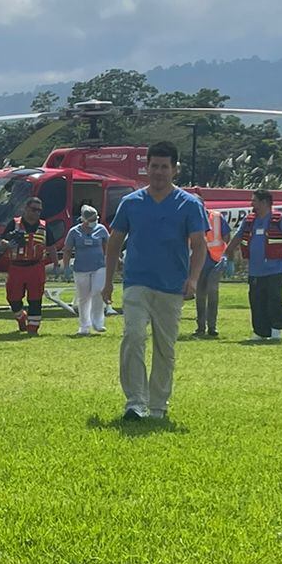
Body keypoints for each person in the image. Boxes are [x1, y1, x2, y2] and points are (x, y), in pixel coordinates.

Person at [102, 142, 208, 420]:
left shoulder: (189, 204)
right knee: (134, 335)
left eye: (165, 166)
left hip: (172, 286)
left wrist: (193, 280)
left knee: (165, 347)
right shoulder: (131, 203)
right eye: (154, 166)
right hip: (136, 281)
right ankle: (135, 402)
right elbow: (114, 242)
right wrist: (108, 280)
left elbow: (199, 245)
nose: (159, 172)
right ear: (146, 168)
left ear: (175, 169)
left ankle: (158, 406)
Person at [225, 191, 282, 343]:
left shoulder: (280, 219)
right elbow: (237, 238)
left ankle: (276, 329)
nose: (251, 204)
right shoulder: (249, 221)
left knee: (274, 299)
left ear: (265, 202)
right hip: (255, 270)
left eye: (254, 201)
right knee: (256, 301)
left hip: (275, 269)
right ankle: (260, 331)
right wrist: (229, 258)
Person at [1, 194, 57, 334]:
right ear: (25, 208)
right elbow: (2, 240)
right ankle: (20, 316)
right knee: (13, 297)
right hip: (16, 267)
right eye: (34, 209)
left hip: (36, 267)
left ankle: (33, 327)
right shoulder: (14, 224)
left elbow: (51, 246)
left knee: (35, 297)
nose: (36, 213)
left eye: (39, 210)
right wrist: (8, 244)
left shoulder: (44, 227)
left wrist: (56, 264)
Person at [62, 203, 109, 335]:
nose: (95, 223)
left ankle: (98, 322)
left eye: (96, 220)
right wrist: (66, 267)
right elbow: (67, 250)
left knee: (98, 292)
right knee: (83, 297)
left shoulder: (101, 229)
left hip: (99, 266)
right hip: (81, 268)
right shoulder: (74, 232)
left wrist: (112, 261)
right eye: (92, 221)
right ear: (84, 220)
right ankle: (84, 325)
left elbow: (108, 246)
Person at [193, 208, 231, 339]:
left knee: (212, 291)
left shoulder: (216, 217)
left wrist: (225, 253)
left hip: (216, 259)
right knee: (200, 294)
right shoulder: (190, 216)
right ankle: (200, 327)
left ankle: (212, 327)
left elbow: (226, 234)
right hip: (199, 260)